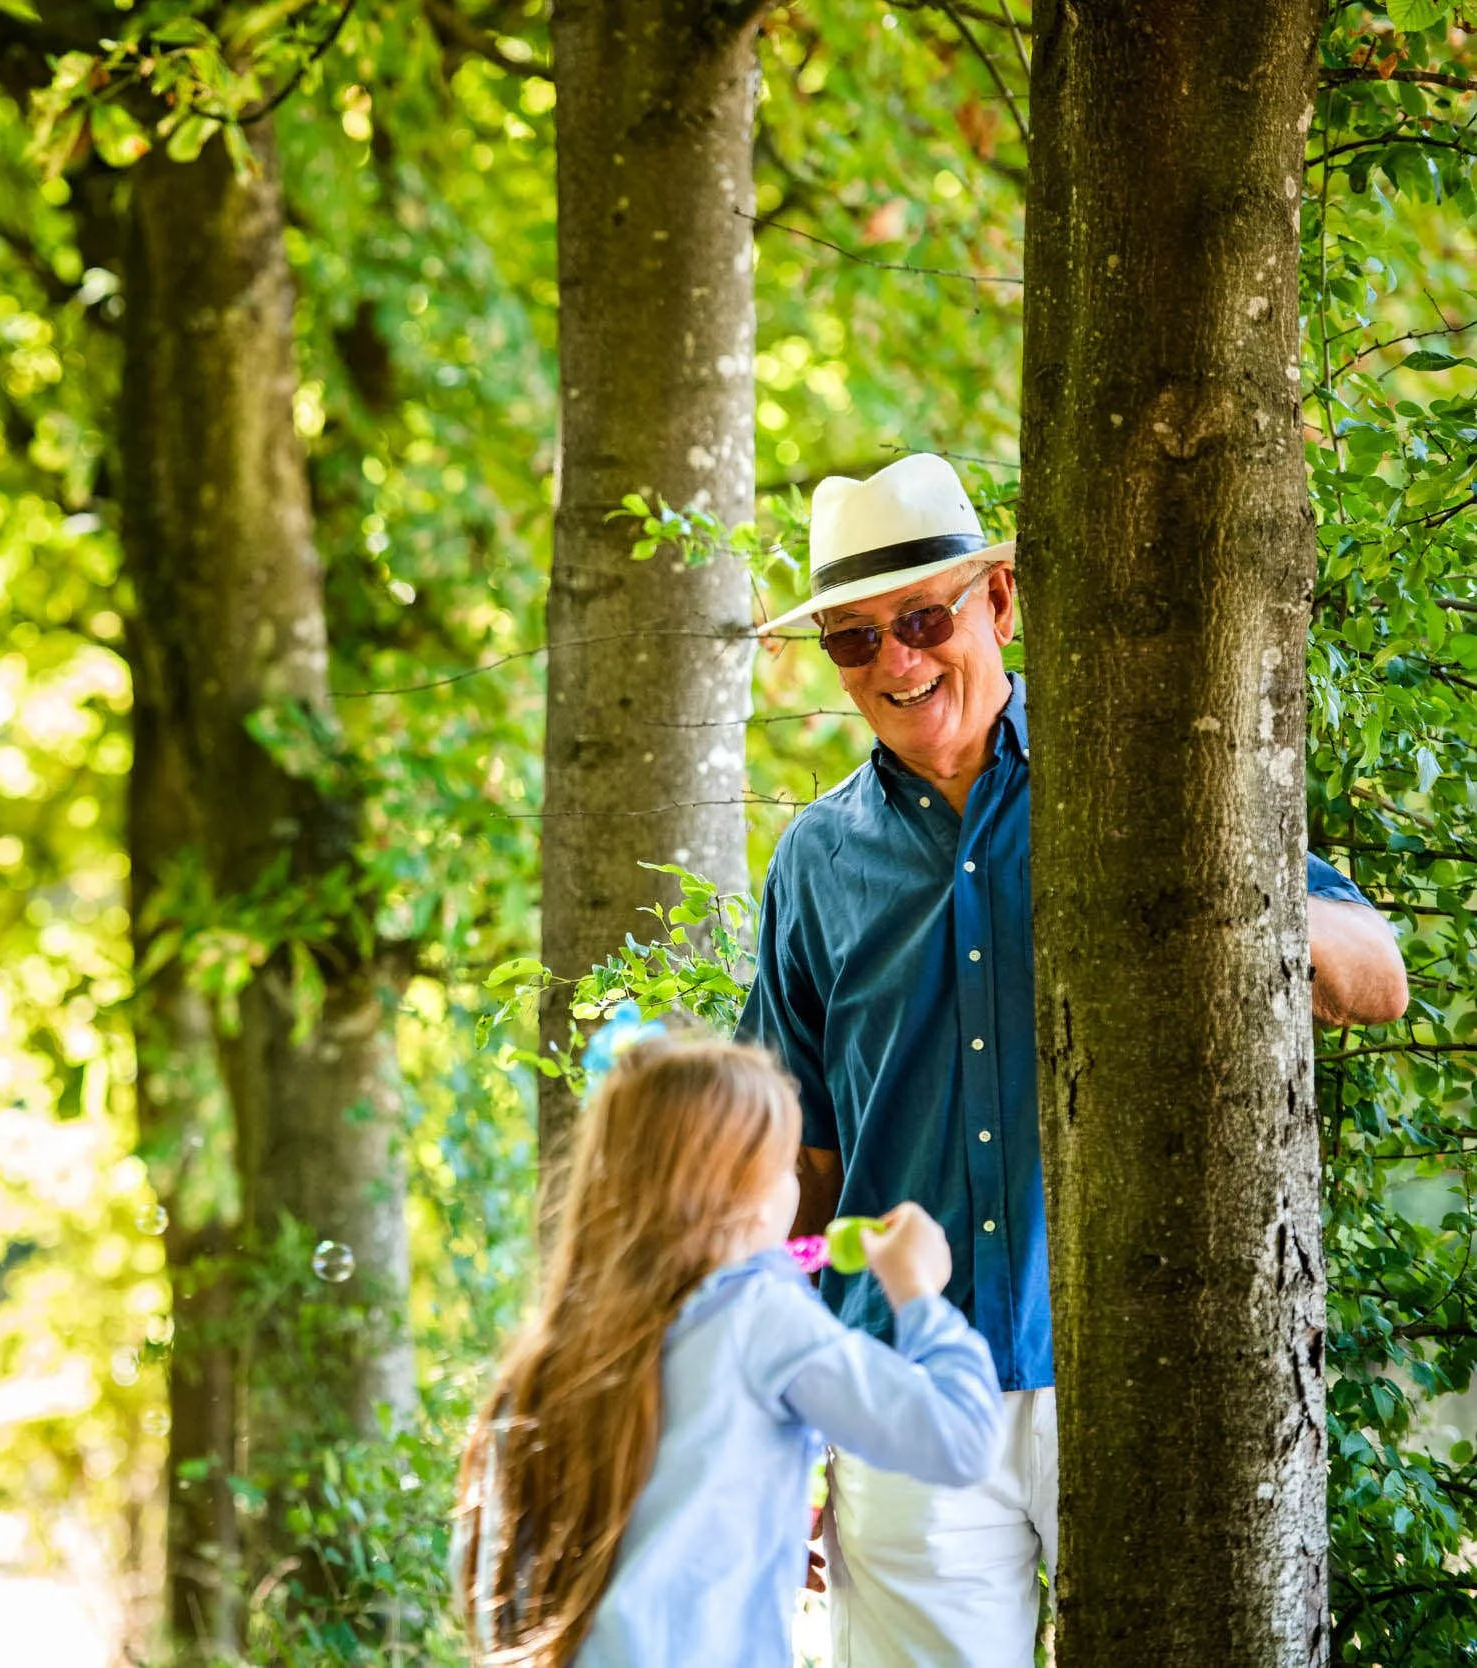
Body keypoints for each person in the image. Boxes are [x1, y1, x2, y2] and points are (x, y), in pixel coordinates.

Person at [739, 452, 1410, 1666]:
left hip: (1136, 1368)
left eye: (922, 619)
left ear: (997, 602)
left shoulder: (1142, 783)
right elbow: (799, 1169)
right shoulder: (812, 864)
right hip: (901, 1392)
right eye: (852, 641)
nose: (895, 663)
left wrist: (1219, 893)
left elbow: (1377, 975)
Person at [452, 1033, 1004, 1668]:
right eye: (787, 1168)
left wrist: (742, 1531)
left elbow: (513, 1561)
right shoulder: (760, 1316)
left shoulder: (556, 1349)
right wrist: (920, 1296)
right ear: (749, 1196)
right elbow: (961, 1441)